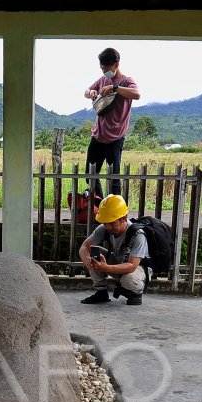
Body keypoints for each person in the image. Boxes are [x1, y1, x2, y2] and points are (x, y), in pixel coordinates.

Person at [84, 48, 140, 199]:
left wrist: (115, 88)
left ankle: (115, 214)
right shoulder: (102, 80)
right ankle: (101, 205)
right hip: (98, 136)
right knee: (90, 175)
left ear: (116, 65)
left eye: (106, 68)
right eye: (102, 68)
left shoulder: (127, 81)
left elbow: (136, 94)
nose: (104, 72)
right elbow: (87, 91)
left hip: (115, 137)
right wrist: (91, 92)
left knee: (114, 179)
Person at [79, 194, 147, 306]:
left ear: (124, 218)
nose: (108, 227)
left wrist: (106, 268)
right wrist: (87, 261)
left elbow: (132, 266)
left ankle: (135, 293)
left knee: (128, 280)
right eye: (105, 223)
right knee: (92, 252)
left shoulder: (138, 235)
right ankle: (101, 292)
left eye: (112, 223)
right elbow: (84, 247)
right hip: (117, 263)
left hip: (136, 269)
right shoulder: (103, 228)